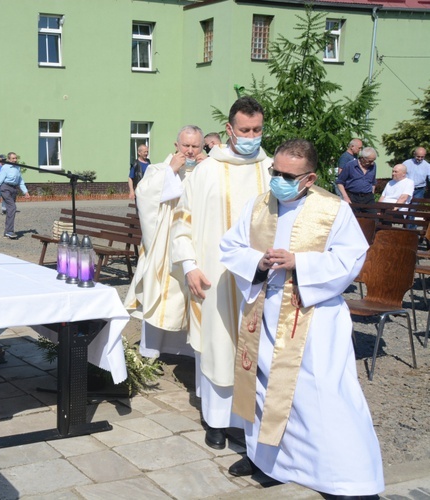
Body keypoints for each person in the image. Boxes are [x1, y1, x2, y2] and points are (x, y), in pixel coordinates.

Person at [219, 138, 383, 497]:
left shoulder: (333, 210)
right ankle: (268, 462)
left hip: (313, 316)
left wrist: (300, 262)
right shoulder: (260, 205)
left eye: (287, 175)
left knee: (322, 396)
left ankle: (347, 478)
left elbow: (351, 259)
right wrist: (257, 262)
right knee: (263, 391)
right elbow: (230, 246)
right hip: (264, 308)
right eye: (274, 171)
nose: (278, 180)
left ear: (309, 179)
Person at [173, 96, 272, 450]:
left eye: (257, 129)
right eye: (244, 130)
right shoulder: (206, 171)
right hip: (215, 276)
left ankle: (248, 420)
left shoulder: (271, 169)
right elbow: (182, 220)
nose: (251, 136)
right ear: (230, 129)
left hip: (261, 279)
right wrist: (189, 266)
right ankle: (216, 421)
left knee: (255, 348)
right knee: (217, 346)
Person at [124, 125, 205, 359]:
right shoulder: (160, 169)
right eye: (186, 145)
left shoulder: (205, 170)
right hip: (165, 244)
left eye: (195, 146)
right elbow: (144, 194)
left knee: (191, 296)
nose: (190, 151)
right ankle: (153, 350)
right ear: (176, 145)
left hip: (195, 242)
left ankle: (190, 350)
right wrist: (171, 171)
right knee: (163, 295)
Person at [0, 152, 30, 239]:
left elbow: (20, 180)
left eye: (16, 158)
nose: (15, 160)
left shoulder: (17, 168)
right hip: (5, 188)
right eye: (13, 158)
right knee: (12, 207)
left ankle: (6, 232)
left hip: (13, 189)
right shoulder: (5, 168)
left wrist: (25, 191)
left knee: (10, 210)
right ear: (9, 159)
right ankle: (10, 231)